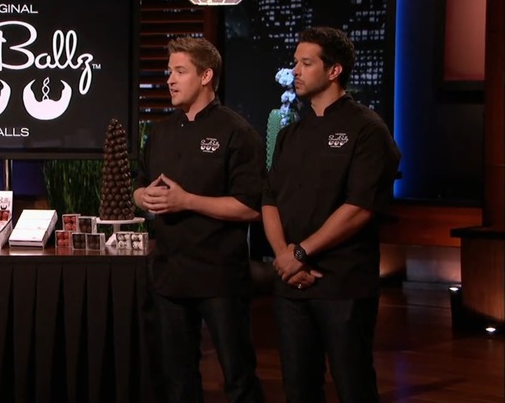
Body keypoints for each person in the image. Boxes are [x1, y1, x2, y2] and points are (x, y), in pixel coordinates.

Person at [262, 26, 401, 403]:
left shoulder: (367, 129)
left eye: (306, 63)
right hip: (291, 283)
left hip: (343, 284)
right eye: (295, 63)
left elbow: (359, 208)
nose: (295, 71)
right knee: (298, 388)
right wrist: (284, 257)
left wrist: (301, 252)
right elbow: (269, 199)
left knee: (353, 385)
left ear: (334, 70)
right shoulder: (291, 134)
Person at [134, 36, 266, 402]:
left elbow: (251, 207)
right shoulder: (160, 131)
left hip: (219, 275)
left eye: (180, 71)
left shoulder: (237, 132)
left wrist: (187, 201)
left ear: (206, 76)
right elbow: (139, 183)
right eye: (169, 72)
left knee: (238, 377)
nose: (170, 80)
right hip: (169, 275)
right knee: (177, 380)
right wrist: (141, 196)